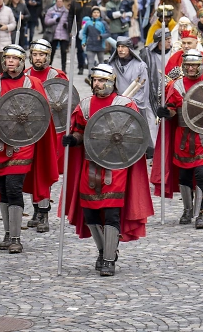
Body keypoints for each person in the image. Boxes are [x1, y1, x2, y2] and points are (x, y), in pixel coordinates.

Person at [61, 64, 154, 276]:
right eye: (95, 80)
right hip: (90, 166)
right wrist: (72, 140)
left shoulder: (125, 105)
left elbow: (134, 134)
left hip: (115, 167)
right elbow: (79, 132)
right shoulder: (84, 106)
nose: (97, 84)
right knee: (90, 213)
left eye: (102, 80)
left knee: (112, 212)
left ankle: (109, 259)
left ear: (111, 82)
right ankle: (104, 250)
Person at [0, 45, 59, 253]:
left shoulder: (33, 83)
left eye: (14, 58)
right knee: (2, 188)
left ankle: (15, 238)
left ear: (22, 61)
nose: (10, 61)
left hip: (23, 143)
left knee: (13, 186)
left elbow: (42, 115)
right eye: (7, 58)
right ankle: (7, 233)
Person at [152, 50, 203, 229]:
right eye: (187, 65)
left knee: (202, 174)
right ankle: (187, 210)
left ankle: (200, 214)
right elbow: (173, 109)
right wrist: (166, 112)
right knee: (184, 175)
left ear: (200, 66)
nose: (190, 68)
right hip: (183, 136)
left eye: (194, 65)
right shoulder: (176, 85)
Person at [23, 39, 68, 231]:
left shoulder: (57, 75)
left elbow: (66, 102)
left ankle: (44, 213)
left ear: (47, 56)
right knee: (30, 171)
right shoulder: (24, 75)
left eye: (41, 55)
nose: (38, 58)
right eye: (35, 54)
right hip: (28, 130)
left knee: (44, 170)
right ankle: (35, 210)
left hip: (51, 130)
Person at [107, 36, 151, 148]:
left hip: (133, 105)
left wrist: (129, 102)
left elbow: (143, 90)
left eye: (123, 47)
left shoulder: (140, 66)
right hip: (116, 104)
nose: (120, 49)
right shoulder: (111, 65)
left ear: (129, 49)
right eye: (118, 47)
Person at [140, 28, 172, 147]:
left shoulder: (173, 53)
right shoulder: (147, 54)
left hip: (169, 92)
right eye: (166, 39)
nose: (169, 42)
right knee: (153, 122)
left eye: (169, 39)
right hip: (151, 93)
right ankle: (155, 149)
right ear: (159, 41)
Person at [45, 0, 70, 68]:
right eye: (58, 1)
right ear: (56, 2)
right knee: (51, 52)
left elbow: (70, 22)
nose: (59, 3)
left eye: (61, 1)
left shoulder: (66, 12)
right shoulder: (51, 10)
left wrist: (67, 25)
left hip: (63, 34)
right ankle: (48, 67)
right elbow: (46, 21)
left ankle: (63, 68)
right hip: (53, 34)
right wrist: (54, 20)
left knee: (63, 52)